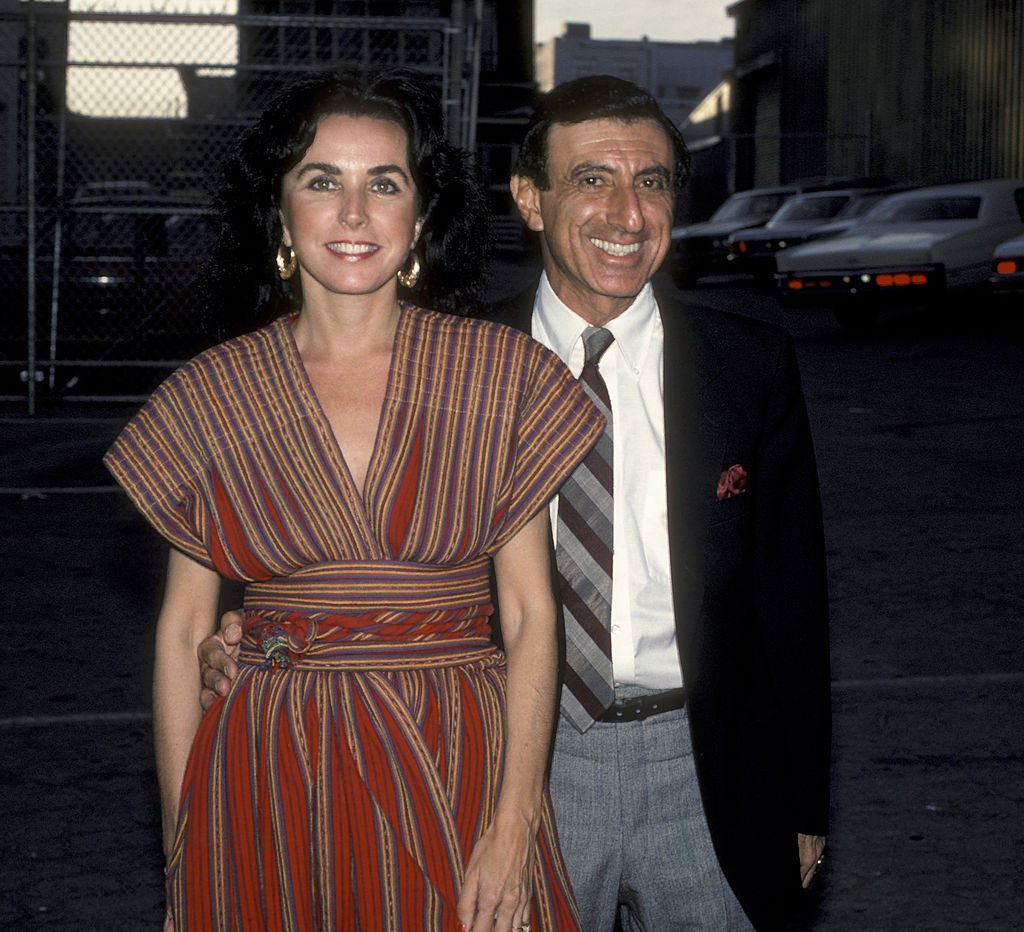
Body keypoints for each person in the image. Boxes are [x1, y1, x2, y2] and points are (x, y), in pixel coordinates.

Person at [200, 74, 832, 931]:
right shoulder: (446, 364)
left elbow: (790, 597)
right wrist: (257, 632)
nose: (627, 212)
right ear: (529, 199)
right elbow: (353, 537)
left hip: (704, 762)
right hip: (507, 760)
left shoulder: (748, 366)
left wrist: (804, 797)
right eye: (591, 180)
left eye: (650, 182)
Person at [104, 68, 603, 932]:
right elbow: (185, 632)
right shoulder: (214, 394)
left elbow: (529, 615)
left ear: (418, 218)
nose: (353, 212)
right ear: (282, 212)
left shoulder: (501, 377)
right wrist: (189, 841)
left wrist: (515, 822)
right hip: (269, 769)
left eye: (385, 182)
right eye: (322, 180)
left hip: (456, 757)